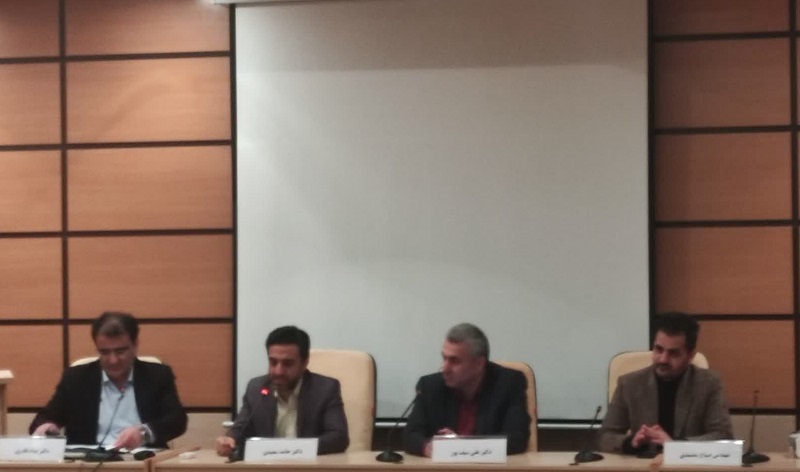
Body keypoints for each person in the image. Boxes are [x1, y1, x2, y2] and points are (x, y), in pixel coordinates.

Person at [29, 312, 188, 449]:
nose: (113, 360)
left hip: (142, 461)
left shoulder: (157, 375)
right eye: (105, 352)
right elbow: (43, 419)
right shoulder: (77, 378)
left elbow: (177, 420)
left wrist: (144, 432)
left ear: (135, 345)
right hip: (88, 463)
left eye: (120, 351)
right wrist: (46, 427)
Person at [598, 312, 733, 454]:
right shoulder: (629, 384)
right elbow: (605, 436)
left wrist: (675, 446)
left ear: (690, 355)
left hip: (687, 464)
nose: (663, 359)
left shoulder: (709, 383)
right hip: (644, 463)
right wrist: (630, 442)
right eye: (659, 349)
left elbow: (723, 435)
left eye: (673, 353)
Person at [216, 326, 349, 456]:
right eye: (273, 362)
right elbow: (240, 430)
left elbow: (339, 437)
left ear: (304, 363)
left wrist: (289, 449)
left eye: (287, 363)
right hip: (267, 466)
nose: (278, 371)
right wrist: (230, 440)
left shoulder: (325, 389)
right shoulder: (257, 388)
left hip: (309, 466)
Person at [403, 323, 531, 456]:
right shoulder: (430, 386)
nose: (445, 368)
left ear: (479, 364)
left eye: (454, 361)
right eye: (444, 358)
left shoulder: (509, 384)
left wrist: (463, 445)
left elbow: (517, 439)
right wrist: (427, 446)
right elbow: (410, 436)